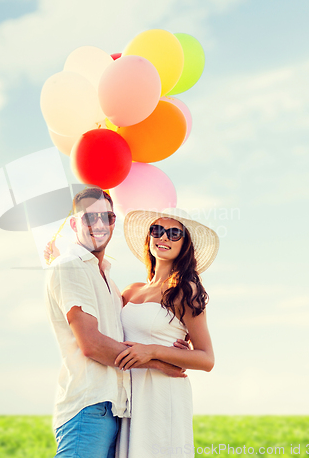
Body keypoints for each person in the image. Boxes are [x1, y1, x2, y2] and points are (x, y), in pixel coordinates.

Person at [45, 188, 189, 458]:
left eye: (107, 217)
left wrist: (171, 337)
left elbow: (137, 326)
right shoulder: (71, 266)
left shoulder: (109, 282)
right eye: (90, 218)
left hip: (115, 409)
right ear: (75, 224)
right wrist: (159, 363)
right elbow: (92, 345)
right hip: (88, 407)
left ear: (114, 222)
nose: (99, 225)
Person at [114, 207, 219, 458]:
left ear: (185, 245)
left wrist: (153, 352)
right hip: (127, 392)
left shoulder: (185, 290)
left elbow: (206, 359)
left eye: (174, 233)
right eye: (157, 230)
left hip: (162, 394)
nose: (163, 237)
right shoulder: (131, 291)